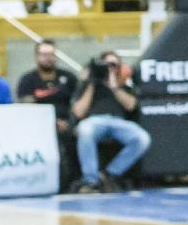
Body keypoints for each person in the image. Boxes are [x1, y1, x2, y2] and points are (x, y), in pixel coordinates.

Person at [71, 51, 151, 193]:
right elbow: (78, 112)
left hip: (118, 122)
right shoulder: (87, 86)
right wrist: (91, 83)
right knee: (85, 130)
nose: (109, 68)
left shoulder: (124, 86)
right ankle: (90, 180)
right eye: (106, 65)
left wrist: (114, 86)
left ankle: (108, 174)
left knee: (142, 138)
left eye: (113, 65)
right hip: (94, 121)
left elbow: (131, 105)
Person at [16, 39, 79, 188]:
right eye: (44, 55)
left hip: (68, 122)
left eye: (51, 54)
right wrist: (52, 121)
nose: (48, 58)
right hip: (39, 125)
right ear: (36, 57)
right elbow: (26, 106)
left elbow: (77, 102)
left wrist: (71, 122)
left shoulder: (68, 78)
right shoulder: (28, 80)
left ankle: (77, 182)